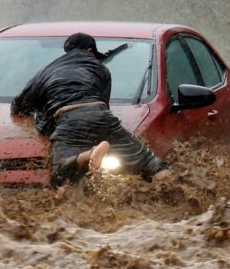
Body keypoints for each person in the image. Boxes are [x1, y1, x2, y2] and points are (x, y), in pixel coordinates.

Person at [11, 32, 169, 187]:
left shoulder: (46, 72)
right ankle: (174, 191)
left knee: (59, 175)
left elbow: (19, 105)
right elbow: (103, 105)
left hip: (68, 119)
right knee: (150, 163)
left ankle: (88, 154)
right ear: (90, 51)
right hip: (100, 114)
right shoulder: (101, 69)